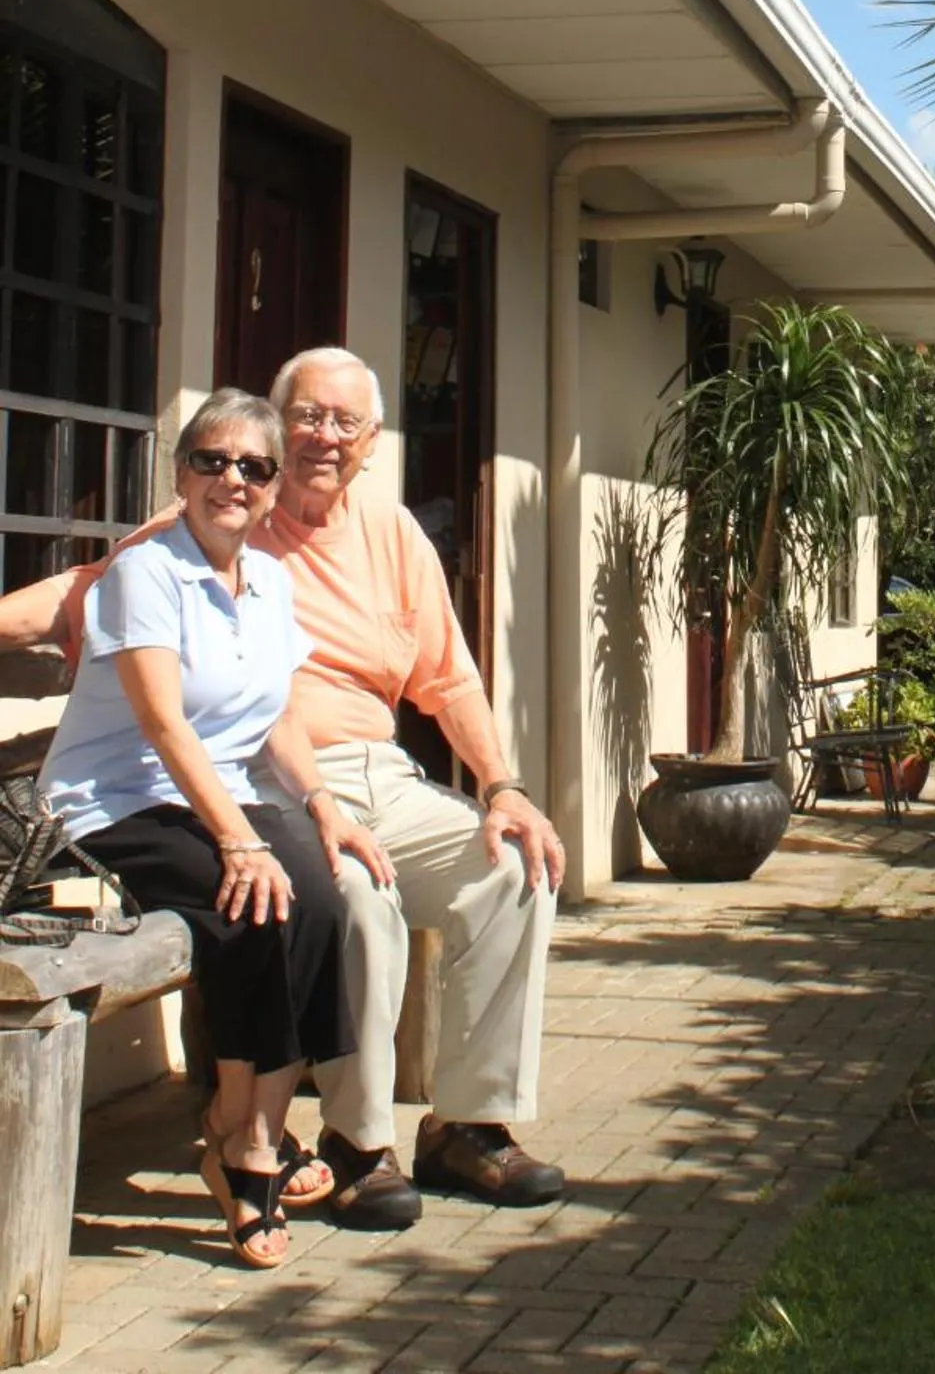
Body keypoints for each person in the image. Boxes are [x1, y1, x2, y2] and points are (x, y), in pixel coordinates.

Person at [6, 347, 564, 1231]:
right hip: (267, 780)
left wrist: (503, 784)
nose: (322, 439)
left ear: (372, 441)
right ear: (273, 421)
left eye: (345, 423)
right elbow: (81, 594)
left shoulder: (391, 534)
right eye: (306, 416)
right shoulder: (224, 511)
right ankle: (358, 1143)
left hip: (379, 771)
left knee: (512, 873)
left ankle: (468, 1124)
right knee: (358, 896)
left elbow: (449, 680)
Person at [39, 390, 389, 1270]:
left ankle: (243, 1133)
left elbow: (276, 719)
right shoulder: (144, 572)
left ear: (274, 490)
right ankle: (250, 1153)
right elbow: (165, 726)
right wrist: (240, 838)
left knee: (320, 896)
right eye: (212, 461)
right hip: (113, 802)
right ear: (182, 473)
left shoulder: (270, 578)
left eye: (254, 468)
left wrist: (319, 806)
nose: (232, 480)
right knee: (254, 902)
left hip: (216, 794)